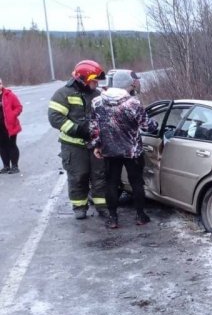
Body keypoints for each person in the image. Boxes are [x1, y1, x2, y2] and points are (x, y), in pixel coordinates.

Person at [89, 70, 156, 228]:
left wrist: (97, 145)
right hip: (132, 151)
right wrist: (156, 125)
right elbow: (148, 126)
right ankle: (140, 216)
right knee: (136, 183)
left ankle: (113, 219)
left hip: (109, 151)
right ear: (128, 85)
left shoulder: (97, 102)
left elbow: (94, 128)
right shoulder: (133, 103)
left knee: (111, 184)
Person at [48, 60, 108, 220]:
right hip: (73, 146)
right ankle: (79, 206)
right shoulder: (63, 94)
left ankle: (102, 205)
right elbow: (55, 118)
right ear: (83, 79)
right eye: (94, 80)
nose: (96, 83)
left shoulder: (98, 94)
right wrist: (77, 129)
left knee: (100, 175)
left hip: (95, 145)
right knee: (78, 176)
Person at [0, 77, 23, 174]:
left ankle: (15, 166)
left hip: (10, 125)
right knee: (2, 146)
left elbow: (19, 107)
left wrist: (13, 115)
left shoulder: (9, 95)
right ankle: (6, 166)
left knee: (11, 145)